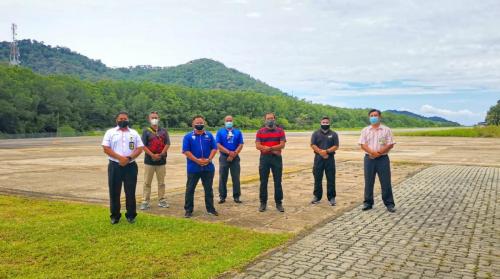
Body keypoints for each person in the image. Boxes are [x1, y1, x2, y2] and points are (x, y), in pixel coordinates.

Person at [102, 111, 144, 224]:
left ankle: (131, 215)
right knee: (114, 191)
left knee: (130, 191)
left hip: (130, 166)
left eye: (125, 118)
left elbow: (140, 148)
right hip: (115, 165)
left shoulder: (134, 133)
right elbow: (106, 148)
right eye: (120, 119)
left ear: (128, 119)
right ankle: (115, 216)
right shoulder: (110, 132)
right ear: (116, 120)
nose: (123, 120)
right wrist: (120, 158)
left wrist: (129, 159)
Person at [359, 109, 396, 213]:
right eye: (371, 115)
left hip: (383, 159)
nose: (373, 117)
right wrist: (372, 153)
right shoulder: (365, 130)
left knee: (385, 182)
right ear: (369, 117)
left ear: (380, 117)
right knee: (369, 181)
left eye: (375, 115)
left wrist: (378, 153)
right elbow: (363, 144)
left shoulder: (386, 130)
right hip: (369, 159)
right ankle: (368, 203)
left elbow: (390, 144)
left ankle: (389, 204)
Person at [182, 115, 218, 218]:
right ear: (193, 124)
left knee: (208, 189)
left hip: (208, 167)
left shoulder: (209, 135)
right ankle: (188, 210)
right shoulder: (188, 136)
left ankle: (211, 209)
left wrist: (209, 159)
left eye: (201, 122)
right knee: (190, 189)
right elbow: (186, 151)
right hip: (193, 168)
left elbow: (214, 148)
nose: (199, 124)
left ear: (204, 123)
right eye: (197, 123)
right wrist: (197, 160)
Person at [255, 112, 286, 212]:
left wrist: (270, 148)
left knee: (278, 181)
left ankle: (279, 203)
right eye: (268, 118)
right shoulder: (260, 131)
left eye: (271, 118)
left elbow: (282, 145)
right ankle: (263, 203)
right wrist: (272, 149)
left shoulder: (280, 131)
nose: (270, 120)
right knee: (263, 181)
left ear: (274, 119)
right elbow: (258, 146)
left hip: (276, 159)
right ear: (265, 119)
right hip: (264, 159)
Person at [140, 111, 171, 210]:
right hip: (149, 161)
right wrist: (152, 155)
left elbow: (167, 143)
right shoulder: (146, 131)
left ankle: (162, 200)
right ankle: (145, 201)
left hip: (161, 161)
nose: (154, 119)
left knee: (161, 182)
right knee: (147, 182)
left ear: (159, 119)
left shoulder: (164, 131)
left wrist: (161, 154)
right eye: (152, 117)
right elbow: (143, 146)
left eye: (156, 117)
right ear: (149, 119)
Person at [310, 116, 339, 206]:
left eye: (327, 122)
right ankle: (317, 197)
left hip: (329, 158)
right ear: (320, 123)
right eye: (323, 122)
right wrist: (321, 152)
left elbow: (336, 146)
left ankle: (331, 197)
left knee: (331, 178)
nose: (325, 124)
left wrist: (326, 151)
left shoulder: (334, 134)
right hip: (318, 159)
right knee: (317, 178)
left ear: (329, 123)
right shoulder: (315, 133)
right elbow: (312, 144)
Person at [216, 115, 244, 204]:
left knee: (236, 177)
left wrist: (234, 154)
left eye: (230, 120)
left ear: (233, 121)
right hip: (224, 157)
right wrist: (228, 153)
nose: (229, 122)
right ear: (224, 122)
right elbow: (218, 145)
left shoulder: (238, 132)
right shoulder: (220, 132)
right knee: (223, 177)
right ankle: (222, 196)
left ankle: (236, 196)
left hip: (235, 157)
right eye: (227, 120)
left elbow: (241, 144)